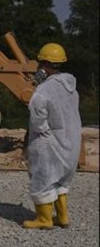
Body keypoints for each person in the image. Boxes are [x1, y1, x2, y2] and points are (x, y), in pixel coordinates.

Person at [22, 43, 82, 229]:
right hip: (70, 141)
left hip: (48, 142)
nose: (38, 67)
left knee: (43, 176)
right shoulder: (71, 87)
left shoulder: (44, 90)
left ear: (46, 64)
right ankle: (62, 217)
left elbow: (37, 117)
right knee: (61, 178)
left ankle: (44, 219)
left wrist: (41, 132)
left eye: (41, 63)